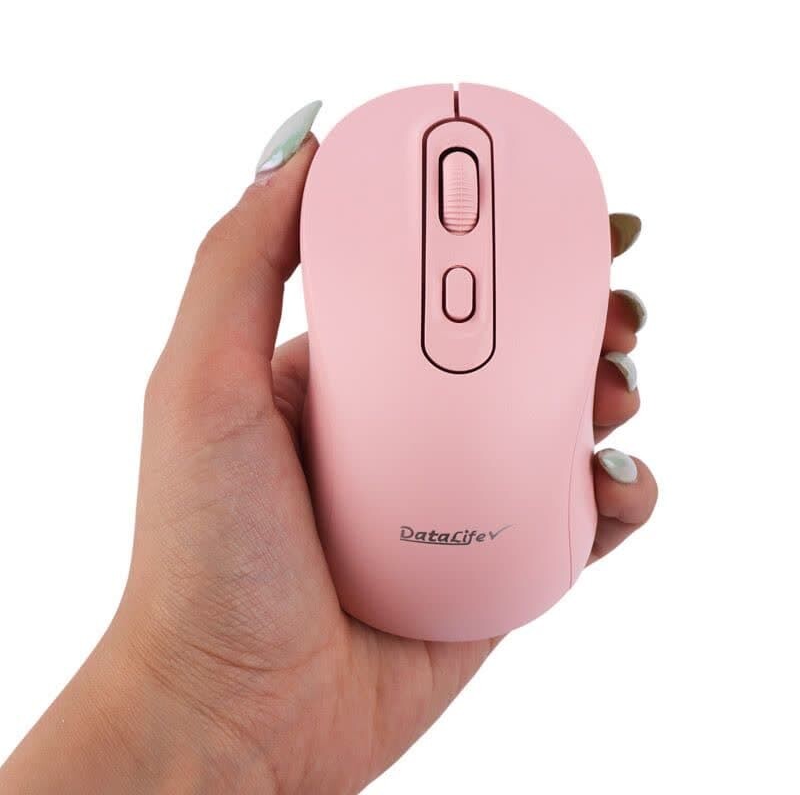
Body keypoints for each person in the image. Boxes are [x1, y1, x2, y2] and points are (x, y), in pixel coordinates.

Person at [0, 102, 657, 794]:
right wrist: (200, 704)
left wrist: (195, 709)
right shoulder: (554, 164)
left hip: (361, 570)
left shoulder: (360, 168)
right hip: (503, 563)